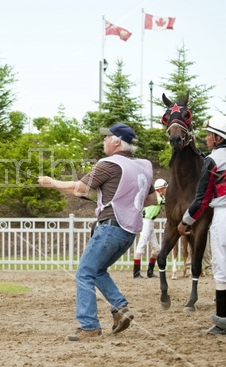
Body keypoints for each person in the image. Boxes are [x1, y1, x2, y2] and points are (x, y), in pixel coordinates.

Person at [39, 122, 156, 341]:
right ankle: (120, 309)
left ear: (117, 141)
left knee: (84, 273)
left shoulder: (109, 163)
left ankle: (89, 326)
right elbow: (151, 200)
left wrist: (51, 182)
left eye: (106, 137)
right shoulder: (144, 166)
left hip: (110, 229)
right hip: (128, 233)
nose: (103, 140)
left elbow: (79, 189)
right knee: (98, 270)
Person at [177, 116, 226, 335]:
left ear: (218, 138)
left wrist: (185, 221)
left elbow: (202, 199)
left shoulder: (213, 160)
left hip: (223, 217)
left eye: (209, 135)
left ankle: (222, 321)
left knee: (222, 271)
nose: (206, 139)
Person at [133, 178, 168, 279]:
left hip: (150, 223)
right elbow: (166, 201)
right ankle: (136, 273)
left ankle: (150, 271)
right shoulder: (157, 197)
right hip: (146, 222)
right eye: (165, 188)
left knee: (156, 249)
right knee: (141, 246)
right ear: (160, 189)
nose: (166, 190)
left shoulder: (157, 195)